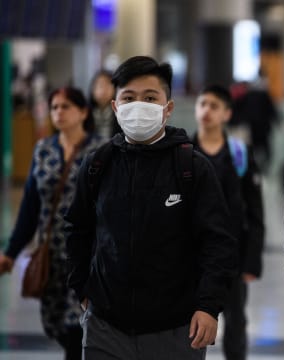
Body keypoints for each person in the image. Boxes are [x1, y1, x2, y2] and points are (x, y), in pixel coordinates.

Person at [65, 56, 238, 360]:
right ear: (115, 106)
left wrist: (208, 306)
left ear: (167, 108)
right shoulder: (97, 165)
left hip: (175, 330)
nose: (138, 105)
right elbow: (77, 229)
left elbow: (218, 242)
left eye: (149, 98)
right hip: (106, 328)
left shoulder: (192, 168)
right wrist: (82, 290)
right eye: (129, 98)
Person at [0, 87, 105, 360]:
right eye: (54, 107)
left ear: (83, 112)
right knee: (54, 323)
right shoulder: (43, 150)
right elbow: (30, 207)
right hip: (51, 256)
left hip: (88, 254)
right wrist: (11, 252)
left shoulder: (101, 151)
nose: (58, 113)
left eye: (66, 107)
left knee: (78, 327)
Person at [190, 84, 264, 360]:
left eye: (214, 106)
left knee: (235, 322)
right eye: (202, 104)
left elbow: (254, 210)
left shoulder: (239, 153)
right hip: (191, 255)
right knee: (190, 322)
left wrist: (252, 260)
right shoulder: (184, 151)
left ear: (226, 113)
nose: (206, 110)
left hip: (231, 253)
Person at [87, 70, 121, 138]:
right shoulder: (85, 111)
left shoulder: (120, 111)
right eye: (100, 85)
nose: (103, 89)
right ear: (92, 89)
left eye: (108, 85)